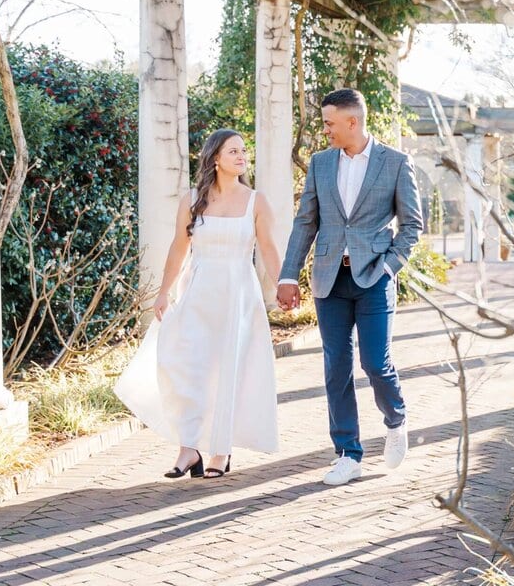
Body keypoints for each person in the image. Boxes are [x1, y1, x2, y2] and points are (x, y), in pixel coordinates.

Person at [115, 129, 282, 479]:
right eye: (233, 151)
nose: (241, 156)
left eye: (243, 151)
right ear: (215, 158)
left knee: (229, 370)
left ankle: (221, 450)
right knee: (189, 366)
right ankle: (188, 448)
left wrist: (284, 286)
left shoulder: (256, 201)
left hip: (238, 296)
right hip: (198, 290)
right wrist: (164, 292)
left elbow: (268, 248)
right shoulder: (192, 200)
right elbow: (180, 247)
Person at [277, 89, 423, 486]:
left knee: (375, 362)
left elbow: (412, 226)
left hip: (374, 278)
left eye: (329, 123)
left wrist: (389, 267)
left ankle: (396, 419)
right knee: (335, 367)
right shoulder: (320, 163)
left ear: (352, 122)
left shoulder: (395, 163)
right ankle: (348, 453)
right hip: (329, 279)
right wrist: (288, 275)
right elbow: (305, 222)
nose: (325, 130)